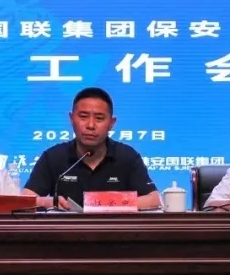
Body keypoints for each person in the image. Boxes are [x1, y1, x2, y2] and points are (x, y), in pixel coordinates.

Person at [22, 87, 161, 210]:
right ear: (71, 118)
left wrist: (106, 203)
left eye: (99, 118)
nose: (90, 125)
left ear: (111, 123)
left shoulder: (127, 157)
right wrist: (49, 202)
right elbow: (25, 200)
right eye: (83, 117)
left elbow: (154, 199)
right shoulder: (54, 157)